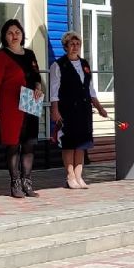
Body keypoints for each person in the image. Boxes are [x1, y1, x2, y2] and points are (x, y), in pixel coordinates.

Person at [0, 19, 44, 198]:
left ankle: (27, 183)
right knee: (13, 145)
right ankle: (15, 183)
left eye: (17, 32)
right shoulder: (0, 55)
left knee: (29, 145)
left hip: (29, 102)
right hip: (10, 105)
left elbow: (36, 76)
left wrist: (38, 88)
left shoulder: (29, 54)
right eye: (10, 33)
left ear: (22, 34)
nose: (14, 36)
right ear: (4, 36)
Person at [48, 31, 107, 191]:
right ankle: (70, 176)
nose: (75, 47)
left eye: (77, 44)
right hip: (67, 109)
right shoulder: (58, 65)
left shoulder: (84, 64)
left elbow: (90, 89)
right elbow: (54, 90)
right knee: (69, 143)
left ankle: (79, 175)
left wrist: (99, 107)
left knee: (81, 143)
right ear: (65, 46)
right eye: (71, 44)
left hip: (84, 109)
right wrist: (55, 110)